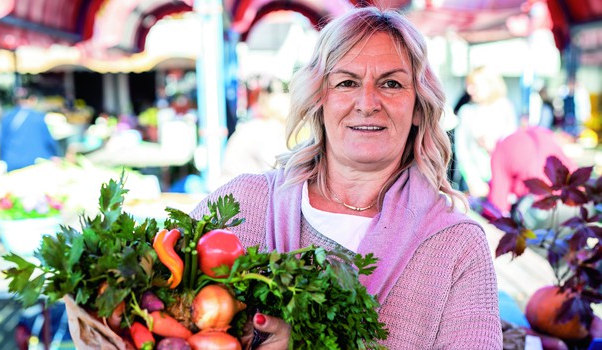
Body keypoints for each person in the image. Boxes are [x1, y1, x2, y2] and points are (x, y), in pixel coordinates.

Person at [191, 6, 502, 349]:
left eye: (391, 84)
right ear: (318, 99)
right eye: (347, 82)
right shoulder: (241, 205)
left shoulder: (456, 246)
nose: (367, 102)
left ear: (418, 107)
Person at [487, 126, 576, 225]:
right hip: (572, 205)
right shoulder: (542, 133)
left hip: (540, 212)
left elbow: (498, 204)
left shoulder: (500, 150)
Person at [454, 66, 518, 199]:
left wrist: (494, 147)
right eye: (468, 85)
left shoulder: (505, 108)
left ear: (490, 84)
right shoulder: (466, 111)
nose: (469, 90)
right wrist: (472, 180)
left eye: (474, 85)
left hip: (502, 182)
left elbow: (513, 149)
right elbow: (462, 151)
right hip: (473, 185)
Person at [0, 89, 60, 172]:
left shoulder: (7, 117)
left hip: (13, 164)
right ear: (32, 99)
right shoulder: (38, 117)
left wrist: (3, 160)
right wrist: (56, 155)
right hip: (37, 163)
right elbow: (49, 141)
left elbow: (1, 143)